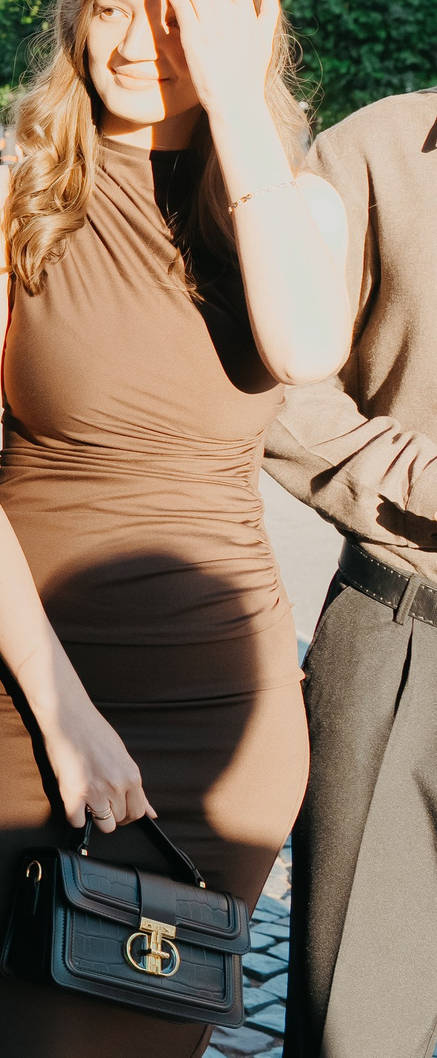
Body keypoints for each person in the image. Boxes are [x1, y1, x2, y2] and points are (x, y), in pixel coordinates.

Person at [0, 0, 349, 1054]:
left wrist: (238, 107)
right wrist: (64, 718)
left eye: (175, 23)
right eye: (111, 10)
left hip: (223, 707)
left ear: (241, 36)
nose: (130, 45)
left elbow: (307, 349)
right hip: (13, 691)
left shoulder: (295, 209)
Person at [260, 86, 437, 1058]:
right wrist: (415, 480)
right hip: (408, 637)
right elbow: (276, 366)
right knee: (359, 1032)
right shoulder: (380, 149)